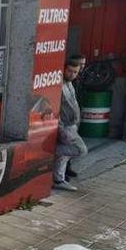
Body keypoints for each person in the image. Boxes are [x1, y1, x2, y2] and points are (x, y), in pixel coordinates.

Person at [53, 59, 88, 191]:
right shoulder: (59, 84)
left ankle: (58, 179)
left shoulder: (69, 83)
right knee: (80, 150)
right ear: (63, 69)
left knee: (65, 155)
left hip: (71, 125)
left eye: (75, 72)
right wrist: (61, 127)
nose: (72, 74)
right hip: (64, 126)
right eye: (70, 71)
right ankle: (50, 152)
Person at [65, 53, 87, 181]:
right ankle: (63, 172)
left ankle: (68, 168)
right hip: (66, 121)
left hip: (74, 118)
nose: (82, 67)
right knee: (70, 146)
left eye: (83, 65)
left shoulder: (79, 78)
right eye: (81, 64)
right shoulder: (67, 80)